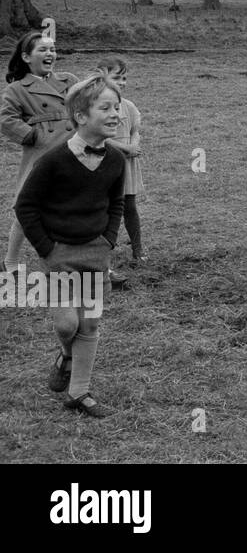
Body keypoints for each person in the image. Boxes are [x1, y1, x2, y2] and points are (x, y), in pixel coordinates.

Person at [16, 74, 126, 418]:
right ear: (80, 116)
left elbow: (116, 203)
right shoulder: (53, 160)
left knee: (89, 325)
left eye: (117, 108)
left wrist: (108, 240)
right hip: (59, 254)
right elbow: (25, 206)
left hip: (96, 252)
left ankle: (78, 392)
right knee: (67, 325)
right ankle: (65, 354)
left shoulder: (116, 160)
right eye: (105, 108)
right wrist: (47, 249)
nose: (115, 114)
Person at [1, 32, 78, 274]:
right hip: (42, 153)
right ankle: (11, 262)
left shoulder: (69, 80)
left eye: (53, 49)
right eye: (43, 50)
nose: (50, 54)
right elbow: (6, 119)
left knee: (80, 204)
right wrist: (32, 136)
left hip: (74, 148)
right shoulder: (17, 88)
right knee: (27, 207)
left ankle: (88, 263)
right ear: (26, 56)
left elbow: (87, 104)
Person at [99, 57, 146, 266]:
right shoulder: (97, 105)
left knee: (130, 206)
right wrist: (126, 148)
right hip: (105, 163)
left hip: (127, 165)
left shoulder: (129, 106)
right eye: (117, 77)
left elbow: (135, 131)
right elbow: (99, 136)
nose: (122, 82)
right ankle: (102, 252)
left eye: (124, 78)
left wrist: (134, 144)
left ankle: (138, 249)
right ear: (102, 76)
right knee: (106, 209)